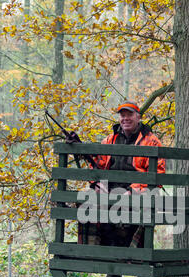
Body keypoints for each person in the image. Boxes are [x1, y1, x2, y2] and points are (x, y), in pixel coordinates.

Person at [68, 101, 165, 247]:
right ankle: (94, 250)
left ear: (138, 117)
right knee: (88, 200)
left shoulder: (152, 142)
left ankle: (131, 252)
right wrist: (98, 183)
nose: (125, 118)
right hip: (110, 188)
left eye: (129, 115)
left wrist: (132, 191)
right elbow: (97, 165)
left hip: (137, 190)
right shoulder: (109, 140)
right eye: (122, 115)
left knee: (133, 204)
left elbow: (157, 174)